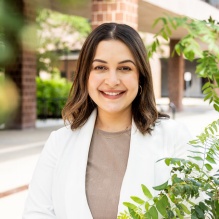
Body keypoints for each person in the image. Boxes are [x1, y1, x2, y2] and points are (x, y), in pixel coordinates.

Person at [23, 23, 191, 219]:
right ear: (86, 75)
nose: (112, 80)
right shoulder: (59, 143)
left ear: (141, 77)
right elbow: (37, 214)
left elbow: (196, 209)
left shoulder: (174, 137)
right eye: (100, 67)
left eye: (125, 68)